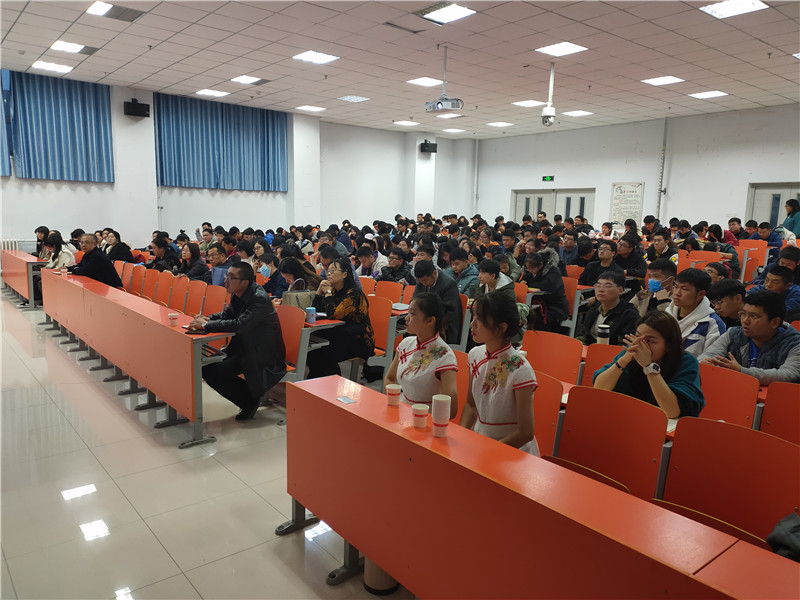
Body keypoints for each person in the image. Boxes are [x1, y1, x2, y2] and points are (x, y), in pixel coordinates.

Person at [189, 263, 286, 421]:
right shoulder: (238, 293)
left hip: (261, 353)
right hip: (245, 348)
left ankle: (249, 400)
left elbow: (240, 324)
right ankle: (249, 397)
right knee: (207, 370)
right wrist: (209, 318)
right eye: (226, 275)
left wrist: (207, 325)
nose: (225, 280)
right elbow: (227, 315)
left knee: (215, 372)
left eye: (231, 277)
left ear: (245, 283)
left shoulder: (259, 299)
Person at [460, 293, 538, 454]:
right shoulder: (475, 355)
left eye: (480, 319)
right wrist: (461, 436)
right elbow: (471, 405)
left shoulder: (520, 370)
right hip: (481, 443)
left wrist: (491, 452)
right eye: (473, 317)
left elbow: (525, 433)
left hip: (511, 451)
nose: (472, 324)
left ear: (502, 328)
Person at [593, 310, 704, 418]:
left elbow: (672, 411)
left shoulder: (686, 362)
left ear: (668, 345)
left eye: (650, 341)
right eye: (637, 336)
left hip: (668, 426)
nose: (641, 344)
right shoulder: (631, 352)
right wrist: (623, 361)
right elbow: (599, 389)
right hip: (630, 419)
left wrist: (648, 366)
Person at [699, 289, 800, 385]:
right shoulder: (733, 334)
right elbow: (707, 355)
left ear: (775, 322)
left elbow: (789, 374)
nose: (745, 321)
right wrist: (706, 362)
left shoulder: (794, 343)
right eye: (743, 314)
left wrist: (741, 371)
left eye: (753, 316)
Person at [384, 293, 458, 418]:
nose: (406, 318)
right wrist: (394, 403)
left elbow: (451, 409)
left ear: (430, 321)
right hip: (401, 411)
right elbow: (390, 378)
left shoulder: (445, 356)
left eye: (412, 314)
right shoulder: (406, 344)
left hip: (426, 418)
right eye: (408, 312)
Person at [306, 258, 375, 378]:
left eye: (333, 270)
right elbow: (316, 311)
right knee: (313, 346)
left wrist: (327, 293)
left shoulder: (354, 294)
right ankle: (318, 380)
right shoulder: (334, 290)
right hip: (341, 333)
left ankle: (332, 380)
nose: (329, 273)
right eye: (328, 270)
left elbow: (332, 314)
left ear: (344, 274)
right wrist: (319, 292)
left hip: (359, 339)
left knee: (324, 350)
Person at [664, 268, 726, 357]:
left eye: (684, 289)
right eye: (676, 287)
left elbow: (711, 359)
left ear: (701, 294)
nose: (677, 293)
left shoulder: (713, 324)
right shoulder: (666, 316)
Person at [579, 271, 639, 346]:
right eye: (598, 286)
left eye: (607, 286)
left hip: (614, 352)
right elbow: (583, 335)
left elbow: (625, 345)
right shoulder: (594, 309)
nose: (601, 290)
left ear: (620, 290)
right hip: (590, 349)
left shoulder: (629, 314)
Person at [520, 249, 569, 332]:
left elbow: (547, 285)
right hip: (536, 303)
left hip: (555, 305)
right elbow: (523, 280)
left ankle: (538, 338)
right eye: (528, 269)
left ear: (541, 265)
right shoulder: (527, 270)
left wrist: (528, 285)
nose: (531, 271)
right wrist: (522, 283)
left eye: (533, 269)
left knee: (537, 318)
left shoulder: (553, 271)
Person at [413, 260, 461, 344]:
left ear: (434, 273)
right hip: (426, 319)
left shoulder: (448, 284)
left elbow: (450, 311)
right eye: (421, 281)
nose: (424, 283)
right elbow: (414, 300)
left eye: (425, 280)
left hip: (444, 324)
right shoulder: (421, 281)